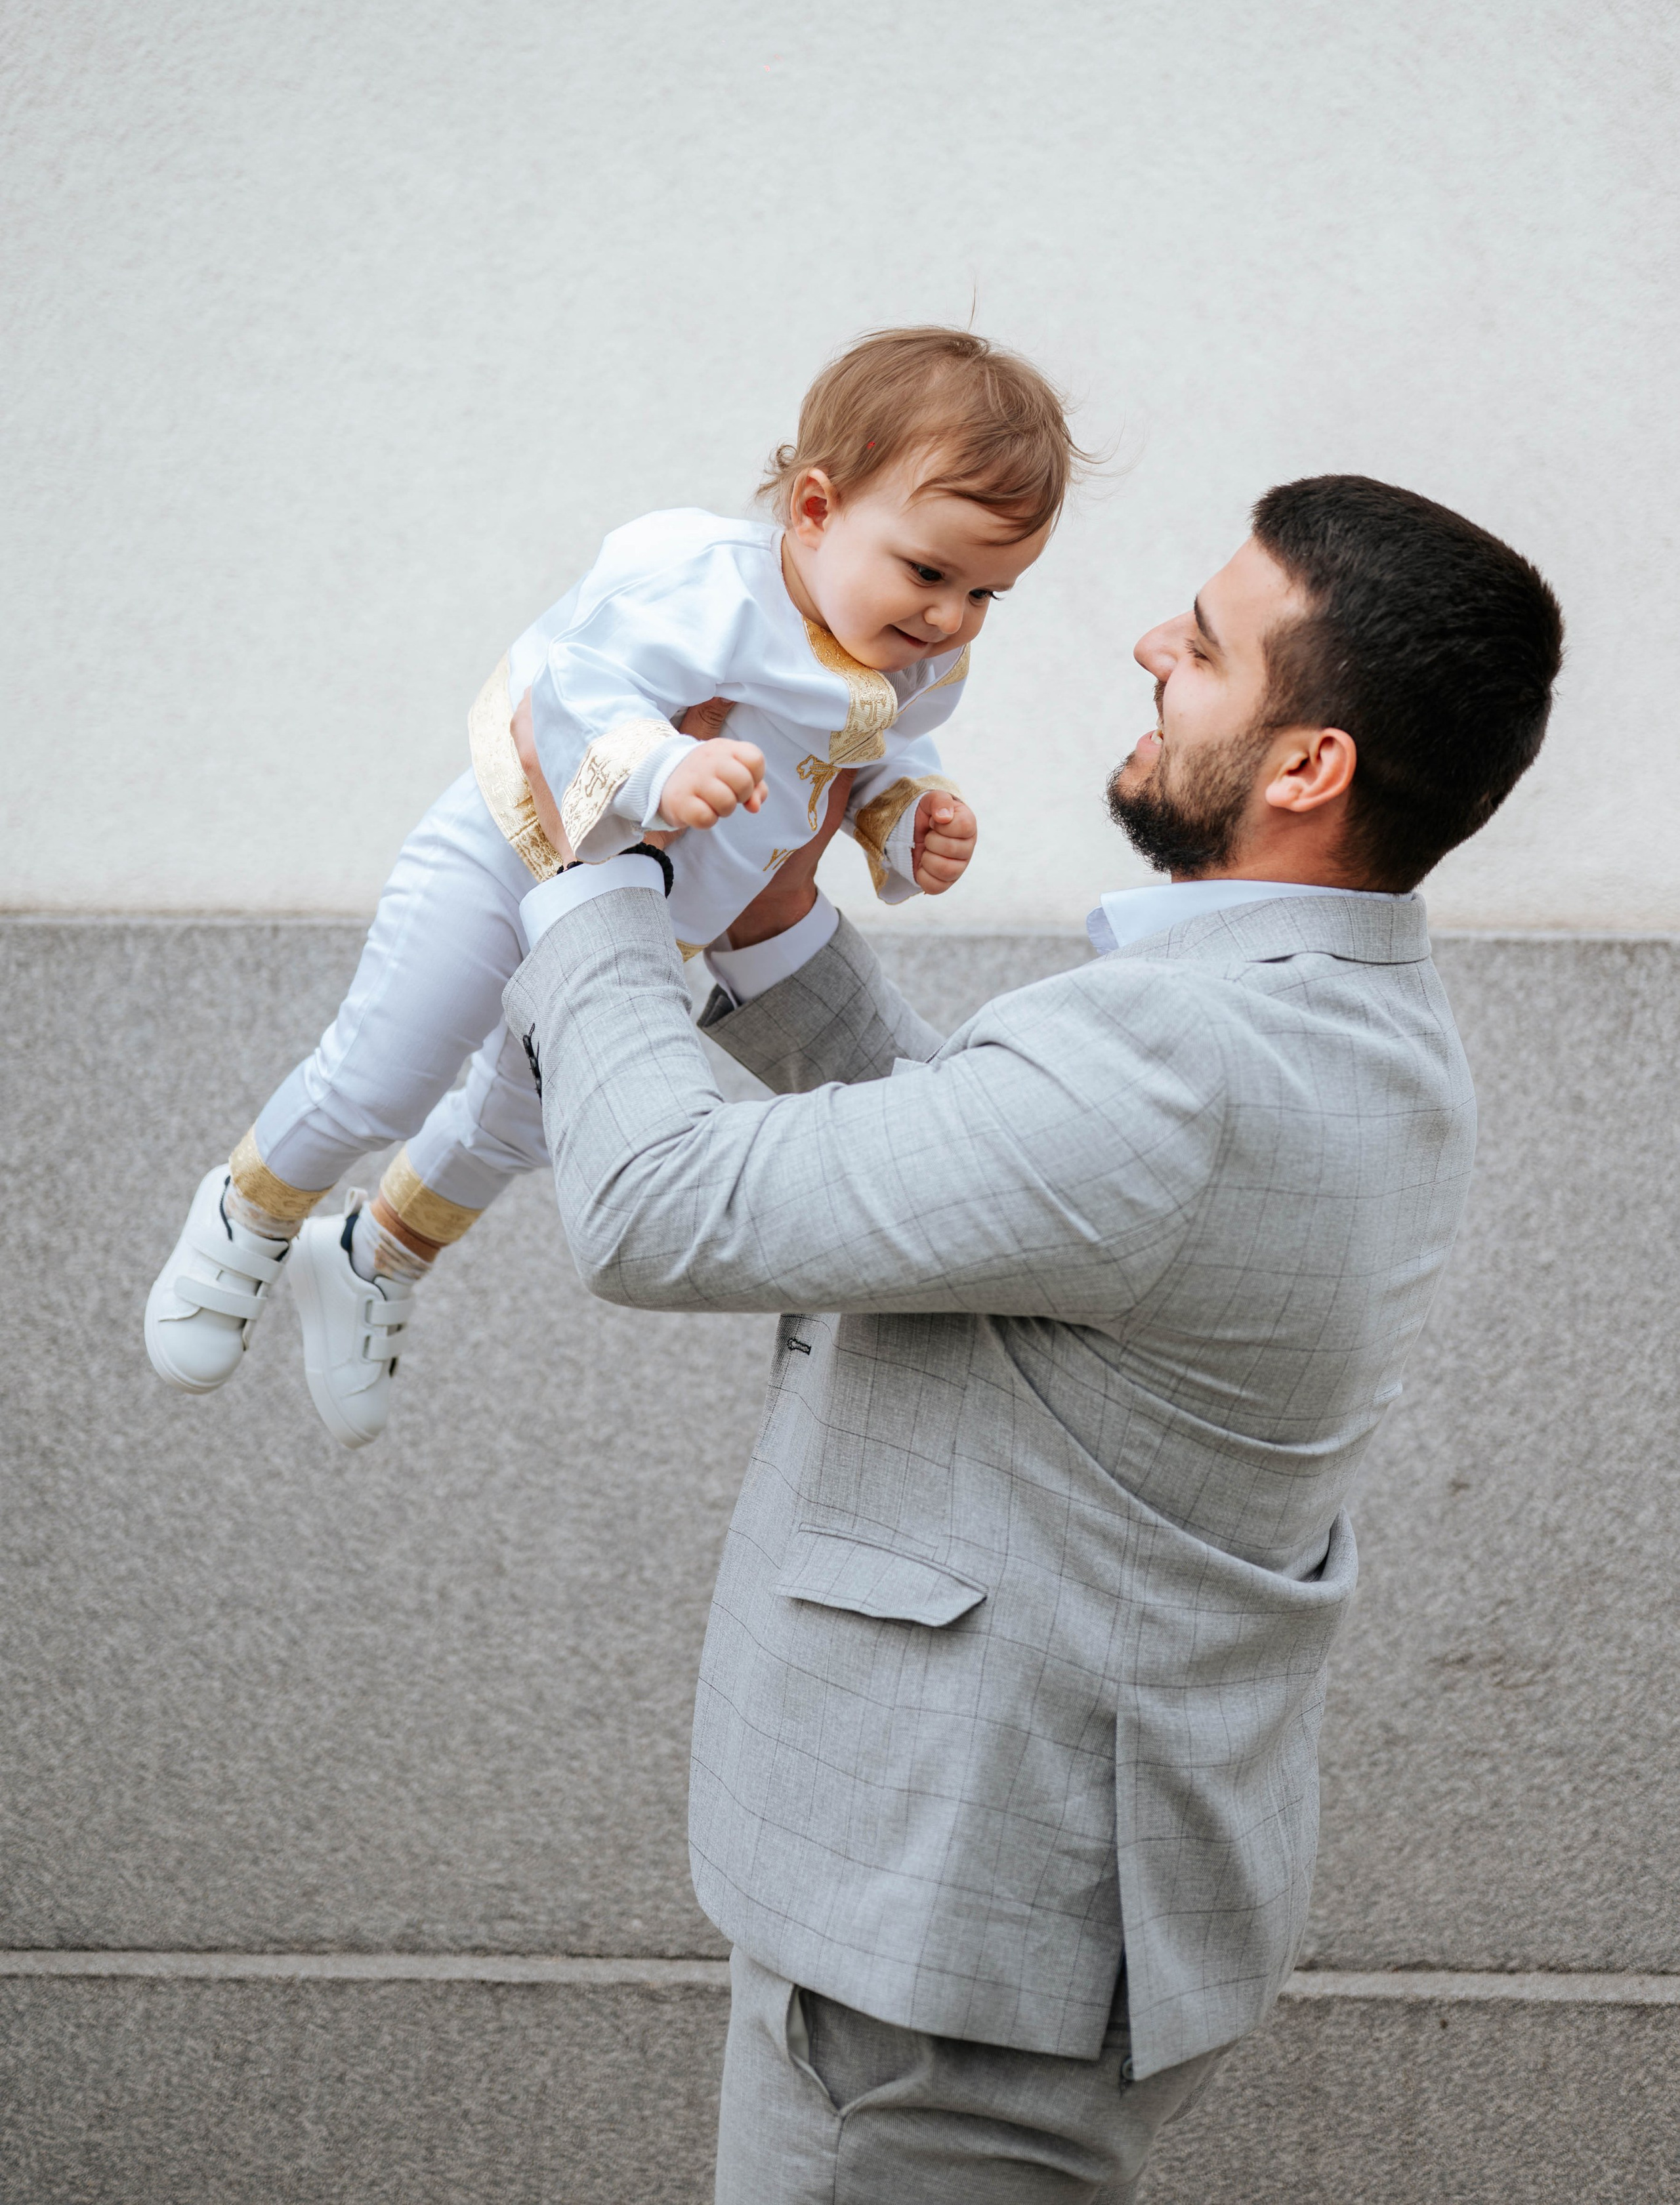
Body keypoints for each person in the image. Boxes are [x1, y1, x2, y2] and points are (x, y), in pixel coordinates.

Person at [500, 474, 1564, 2202]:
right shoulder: (1353, 1023)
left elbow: (655, 1205)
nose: (1151, 645)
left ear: (1310, 767)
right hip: (1050, 1921)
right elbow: (989, 1177)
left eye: (1205, 648)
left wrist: (588, 874)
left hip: (940, 1961)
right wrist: (770, 918)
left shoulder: (1184, 1058)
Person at [142, 328, 1077, 1446]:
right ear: (816, 509)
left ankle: (372, 1256)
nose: (948, 618)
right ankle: (247, 1215)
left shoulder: (914, 663)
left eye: (987, 594)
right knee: (384, 1074)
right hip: (516, 846)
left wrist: (908, 815)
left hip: (648, 929)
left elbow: (880, 755)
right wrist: (662, 765)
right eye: (928, 573)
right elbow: (579, 681)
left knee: (520, 1125)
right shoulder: (702, 584)